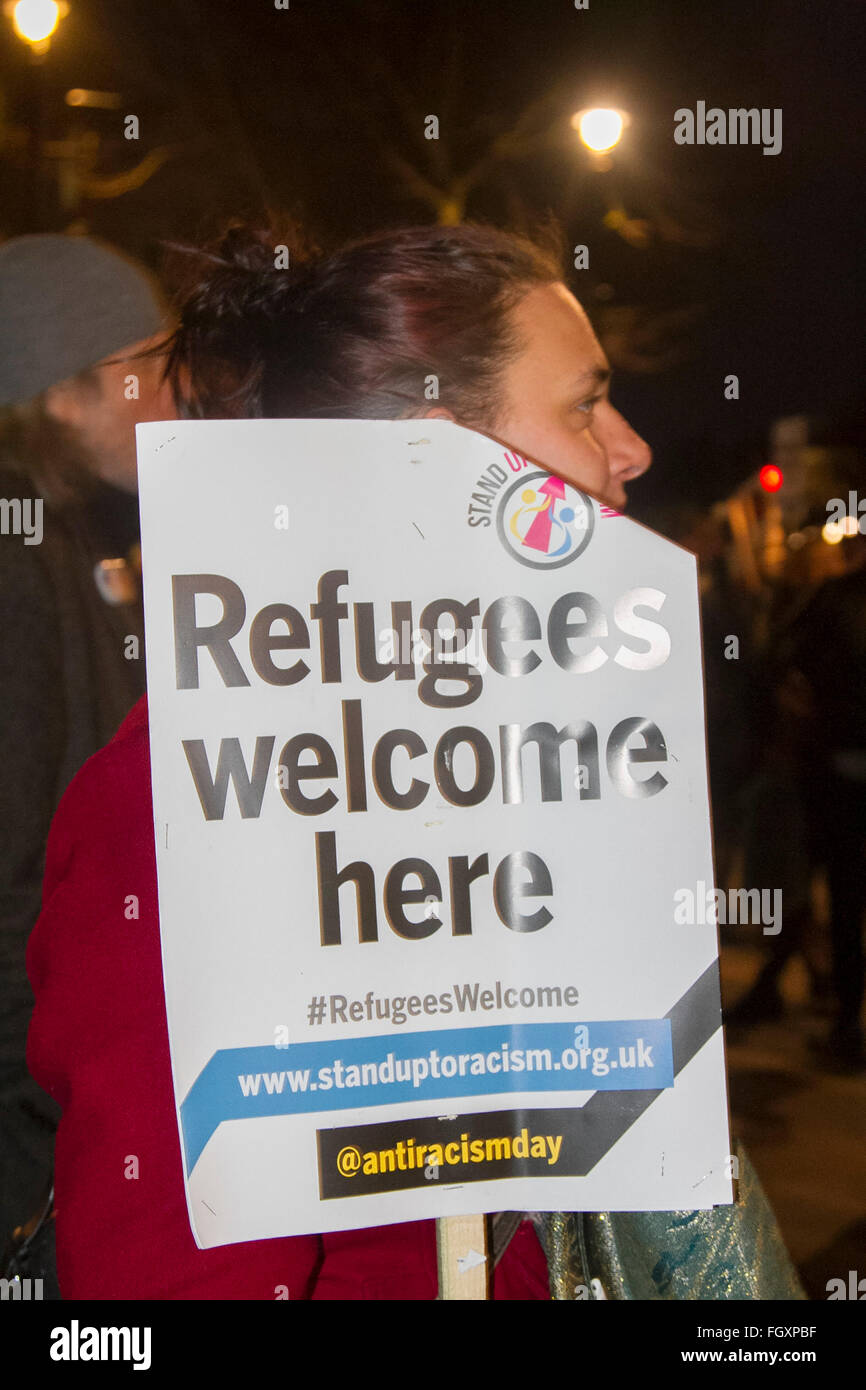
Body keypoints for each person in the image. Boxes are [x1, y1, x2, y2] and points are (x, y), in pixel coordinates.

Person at [26, 221, 802, 1298]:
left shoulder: (539, 748)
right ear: (439, 458)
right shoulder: (186, 798)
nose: (631, 449)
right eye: (583, 401)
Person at [0, 233, 174, 1250]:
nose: (171, 396)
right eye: (146, 367)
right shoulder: (19, 559)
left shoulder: (73, 541)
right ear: (63, 393)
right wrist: (55, 1106)